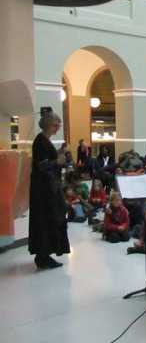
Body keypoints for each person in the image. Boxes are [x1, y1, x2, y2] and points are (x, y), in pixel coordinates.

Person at [28, 111, 70, 269]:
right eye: (56, 124)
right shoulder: (40, 141)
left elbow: (46, 161)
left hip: (47, 189)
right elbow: (42, 166)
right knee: (45, 221)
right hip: (43, 192)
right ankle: (43, 256)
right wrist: (57, 161)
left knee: (49, 220)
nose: (58, 126)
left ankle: (44, 255)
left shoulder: (44, 140)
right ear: (49, 125)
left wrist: (58, 155)